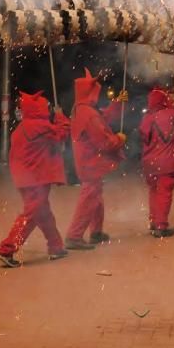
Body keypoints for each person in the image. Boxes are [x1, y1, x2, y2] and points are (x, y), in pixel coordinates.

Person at [0, 90, 70, 267]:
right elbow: (63, 133)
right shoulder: (38, 126)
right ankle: (7, 249)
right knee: (32, 214)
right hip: (36, 178)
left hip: (25, 178)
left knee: (42, 212)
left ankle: (56, 246)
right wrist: (60, 116)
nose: (48, 109)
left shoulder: (23, 127)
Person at [65, 68, 127, 249]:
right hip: (90, 162)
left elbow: (103, 117)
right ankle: (74, 236)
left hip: (87, 162)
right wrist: (120, 139)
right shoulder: (88, 114)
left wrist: (116, 104)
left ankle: (96, 232)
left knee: (95, 196)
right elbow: (105, 142)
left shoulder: (81, 109)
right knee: (90, 196)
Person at [140, 87, 174, 237]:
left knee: (153, 192)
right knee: (164, 194)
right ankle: (161, 226)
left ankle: (153, 222)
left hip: (149, 163)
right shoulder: (170, 114)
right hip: (166, 163)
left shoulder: (146, 118)